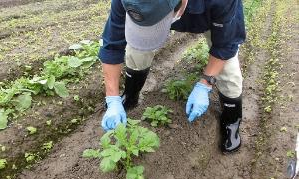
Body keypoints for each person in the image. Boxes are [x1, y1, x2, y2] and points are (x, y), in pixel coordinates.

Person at [98, 0, 246, 154]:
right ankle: (130, 95)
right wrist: (112, 98)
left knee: (228, 69)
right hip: (166, 13)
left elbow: (225, 45)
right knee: (136, 50)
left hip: (210, 16)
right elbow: (112, 44)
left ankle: (231, 120)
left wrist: (205, 83)